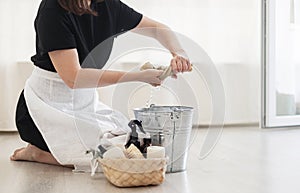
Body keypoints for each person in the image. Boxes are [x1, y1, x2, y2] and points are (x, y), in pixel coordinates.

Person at [10, 0, 192, 167]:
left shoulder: (106, 5)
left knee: (133, 146)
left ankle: (49, 152)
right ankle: (37, 153)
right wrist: (137, 76)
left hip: (84, 104)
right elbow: (74, 78)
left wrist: (179, 52)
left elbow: (155, 29)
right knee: (111, 158)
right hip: (44, 108)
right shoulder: (52, 10)